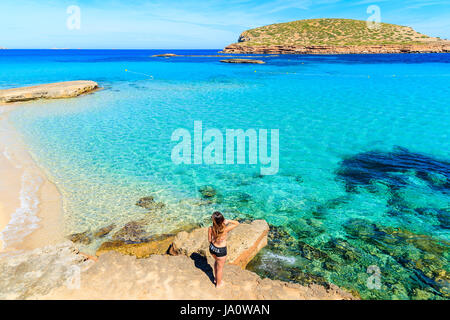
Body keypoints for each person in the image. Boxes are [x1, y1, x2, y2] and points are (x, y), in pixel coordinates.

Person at [208, 211, 240, 288]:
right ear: (222, 220)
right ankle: (218, 284)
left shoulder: (211, 228)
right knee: (220, 268)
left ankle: (216, 279)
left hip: (212, 248)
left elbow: (209, 240)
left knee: (216, 262)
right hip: (221, 251)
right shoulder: (225, 229)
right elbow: (237, 223)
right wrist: (228, 221)